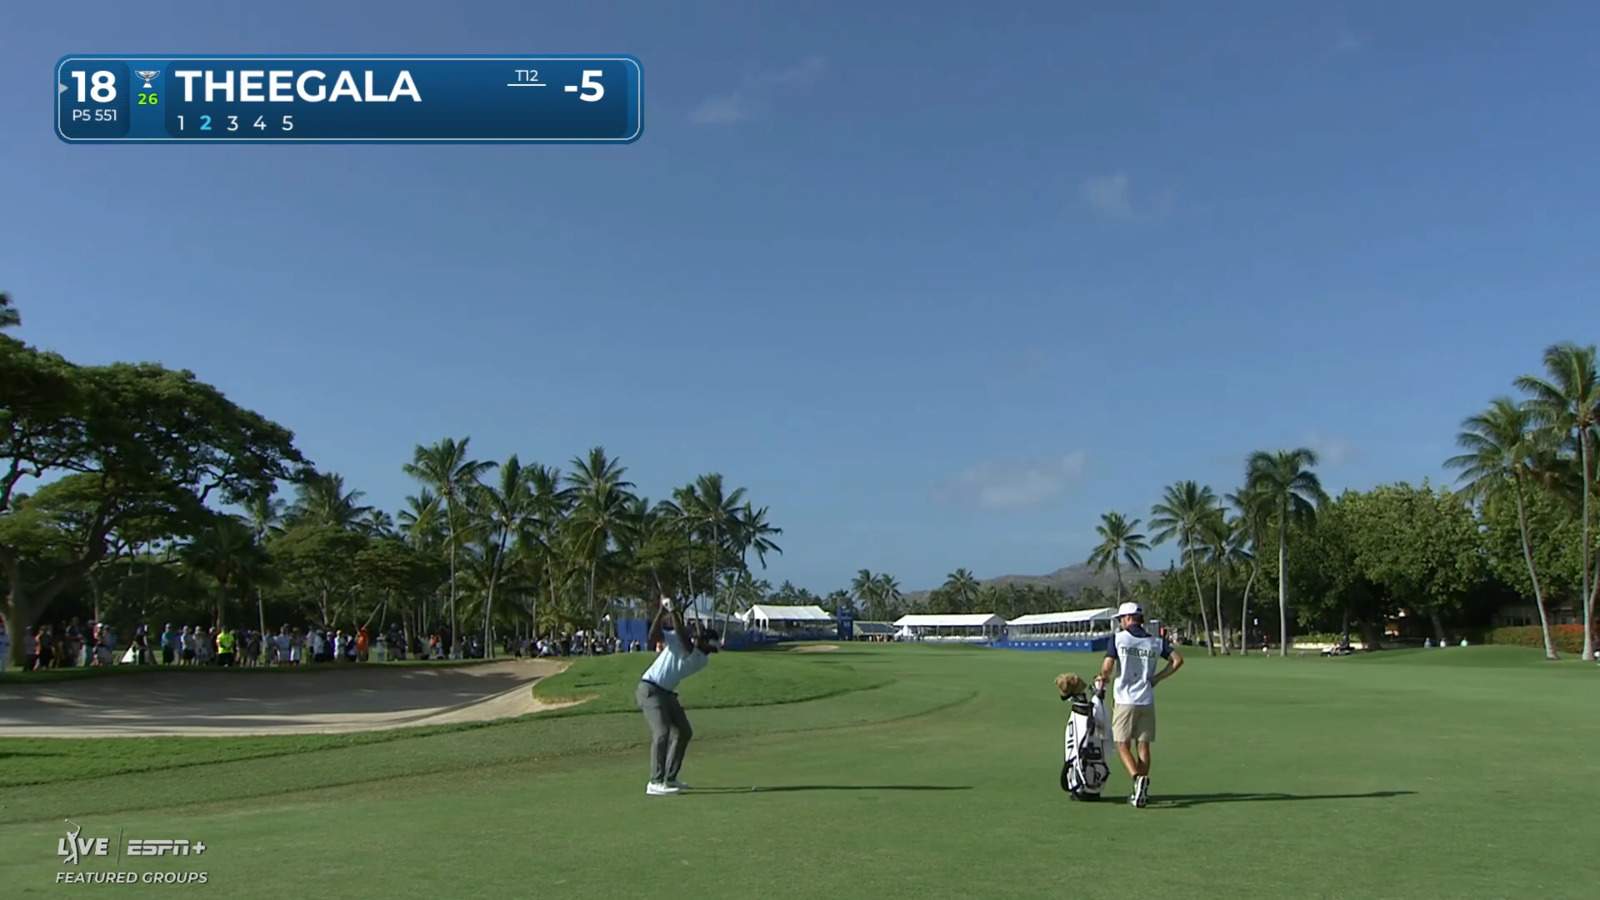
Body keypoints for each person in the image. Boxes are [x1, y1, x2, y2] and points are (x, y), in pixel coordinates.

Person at [1097, 601, 1182, 809]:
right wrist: (1157, 678)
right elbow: (1177, 660)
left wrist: (1102, 679)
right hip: (1146, 699)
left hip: (1125, 700)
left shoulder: (1118, 639)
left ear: (1127, 618)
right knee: (1142, 746)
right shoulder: (1155, 641)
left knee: (1121, 744)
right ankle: (1140, 793)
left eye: (1121, 619)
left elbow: (1108, 667)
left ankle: (1137, 779)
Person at [636, 597, 719, 796]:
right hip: (650, 689)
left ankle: (670, 778)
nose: (698, 639)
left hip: (666, 693)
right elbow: (652, 636)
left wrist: (673, 612)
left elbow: (685, 644)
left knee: (684, 731)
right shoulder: (682, 641)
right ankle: (655, 781)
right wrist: (661, 611)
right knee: (662, 732)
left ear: (707, 646)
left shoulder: (700, 659)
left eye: (703, 640)